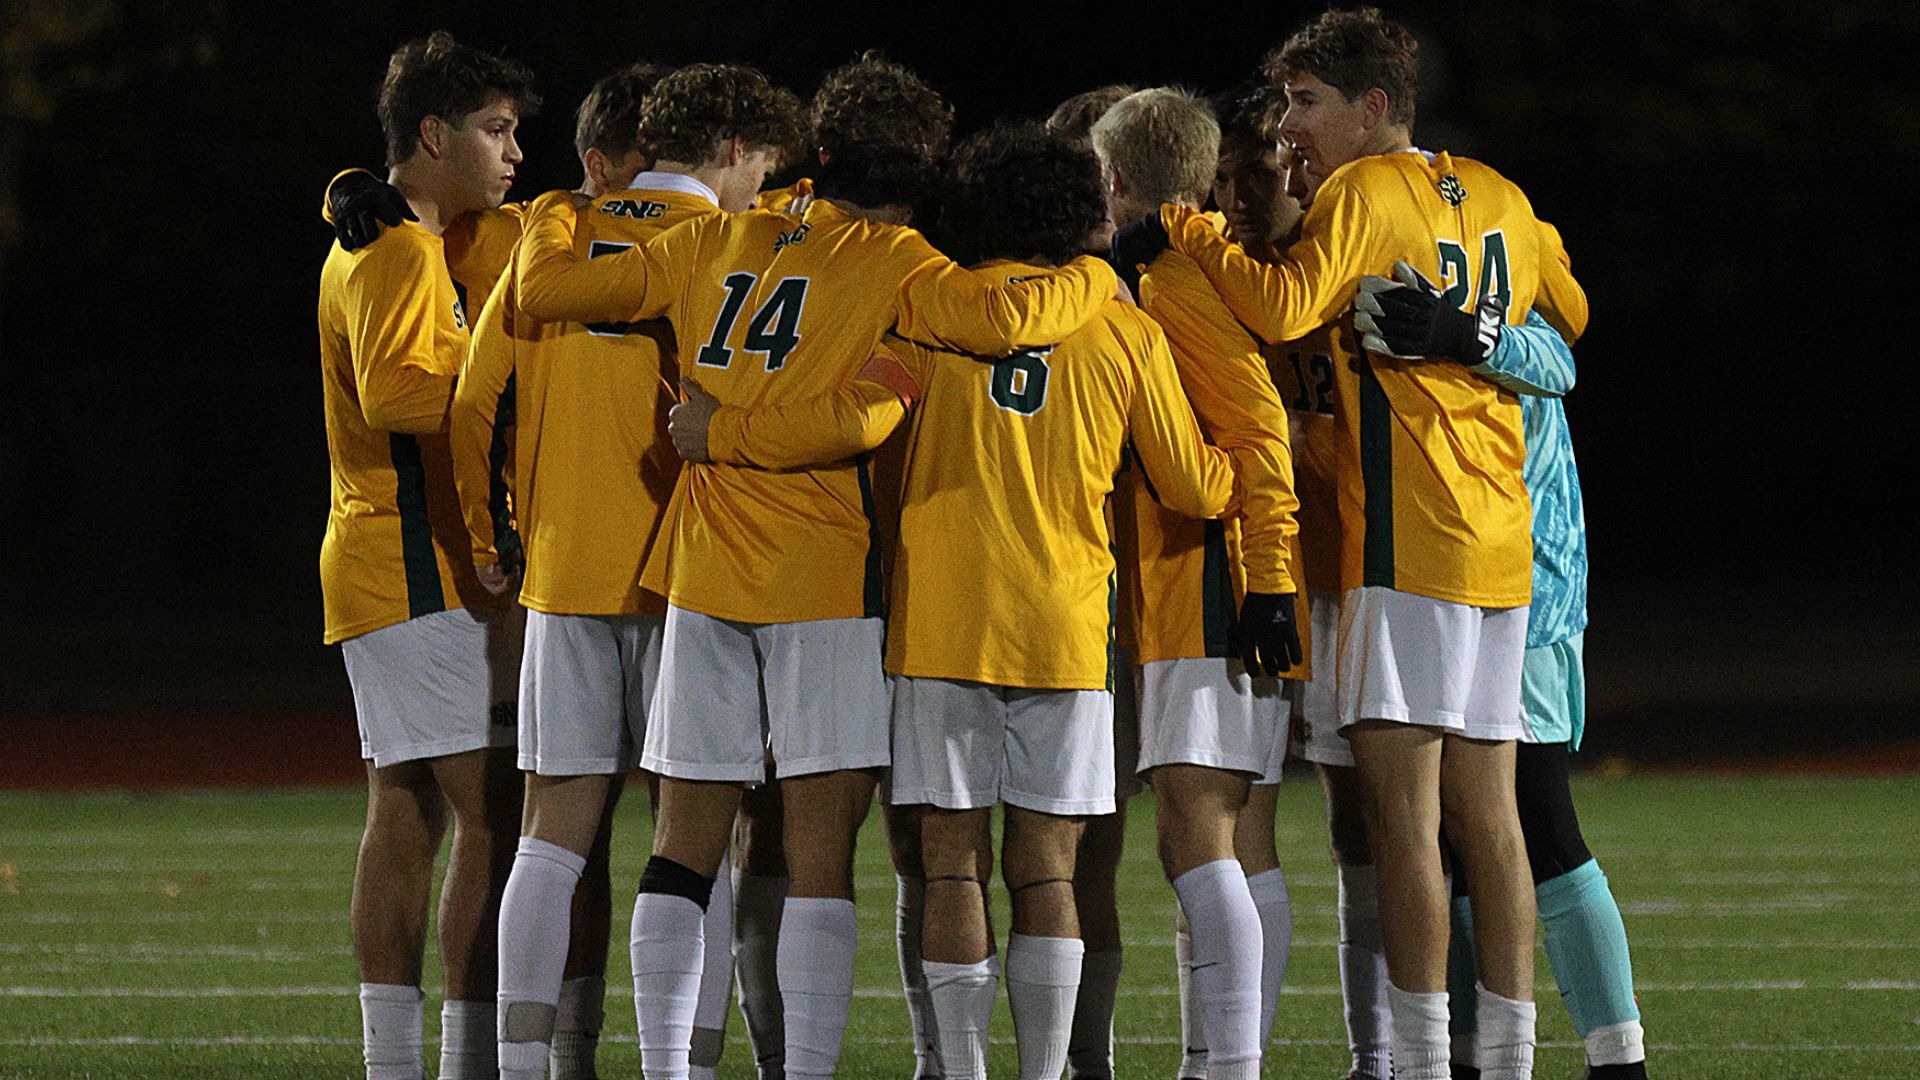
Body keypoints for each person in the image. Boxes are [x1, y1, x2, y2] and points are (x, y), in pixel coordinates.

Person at [509, 86, 1122, 1077]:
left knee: (683, 846)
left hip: (704, 566)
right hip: (824, 580)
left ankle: (674, 1067)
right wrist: (1096, 269)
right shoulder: (895, 263)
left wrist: (550, 214)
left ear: (826, 155)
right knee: (819, 860)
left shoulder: (720, 239)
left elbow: (549, 294)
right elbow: (1010, 320)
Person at [1114, 8, 1588, 1079]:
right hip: (1499, 541)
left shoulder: (1364, 194)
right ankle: (1502, 1059)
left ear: (1373, 108)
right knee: (1490, 822)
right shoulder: (1500, 191)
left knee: (1404, 824)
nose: (1291, 130)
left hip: (1406, 542)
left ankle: (1417, 1061)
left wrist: (1179, 230)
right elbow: (1570, 313)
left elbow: (1283, 310)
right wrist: (1478, 332)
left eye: (1306, 104)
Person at [878, 121, 1237, 1080]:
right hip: (1064, 624)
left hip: (941, 617)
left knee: (950, 863)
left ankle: (958, 1070)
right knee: (1047, 867)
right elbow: (1195, 486)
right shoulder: (1119, 324)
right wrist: (1257, 459)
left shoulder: (922, 304)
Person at [450, 60, 785, 1080]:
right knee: (695, 827)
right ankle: (688, 1059)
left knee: (552, 833)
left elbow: (472, 406)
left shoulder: (553, 232)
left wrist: (491, 535)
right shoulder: (734, 243)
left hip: (562, 575)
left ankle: (523, 1065)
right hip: (695, 575)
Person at [1356, 267, 1647, 1079]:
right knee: (1454, 835)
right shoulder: (1435, 300)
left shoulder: (1505, 309)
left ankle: (1618, 1058)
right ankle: (1466, 1053)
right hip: (1466, 592)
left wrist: (1463, 332)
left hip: (1530, 600)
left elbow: (1556, 359)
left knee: (1541, 824)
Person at [316, 31, 537, 1080]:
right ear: (436, 135)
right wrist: (507, 394)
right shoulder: (399, 245)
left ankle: (397, 1064)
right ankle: (467, 1062)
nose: (514, 151)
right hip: (417, 555)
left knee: (404, 804)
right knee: (489, 805)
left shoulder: (402, 233)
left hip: (382, 556)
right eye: (496, 130)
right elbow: (397, 394)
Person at [1091, 87, 1305, 1080]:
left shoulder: (1174, 278)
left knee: (1197, 833)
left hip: (1210, 584)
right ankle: (1222, 1059)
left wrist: (1264, 583)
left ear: (1118, 177)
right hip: (1219, 578)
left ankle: (1229, 1066)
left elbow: (1258, 430)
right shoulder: (1186, 264)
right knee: (1238, 838)